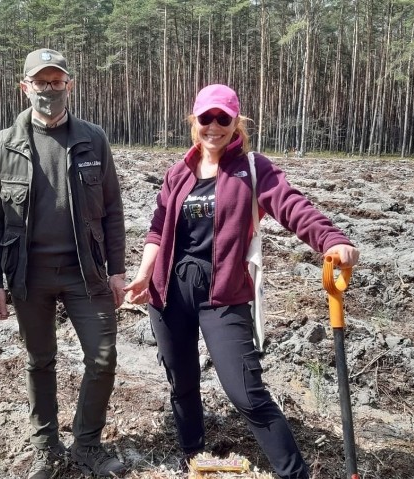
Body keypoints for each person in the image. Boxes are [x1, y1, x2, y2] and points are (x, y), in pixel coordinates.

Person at [124, 84, 360, 479]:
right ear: (193, 122)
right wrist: (145, 274)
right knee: (182, 384)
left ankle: (294, 474)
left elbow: (292, 205)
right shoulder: (177, 173)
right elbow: (156, 229)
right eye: (205, 118)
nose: (213, 126)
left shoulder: (252, 168)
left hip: (223, 296)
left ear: (236, 123)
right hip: (170, 295)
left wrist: (331, 239)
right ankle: (194, 459)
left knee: (246, 394)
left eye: (222, 119)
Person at [0, 48, 127, 479]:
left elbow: (113, 210)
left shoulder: (92, 138)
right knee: (40, 360)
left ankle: (86, 444)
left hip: (88, 270)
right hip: (29, 274)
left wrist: (117, 270)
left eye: (56, 82)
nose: (49, 90)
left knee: (102, 357)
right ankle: (46, 447)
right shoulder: (4, 145)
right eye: (40, 83)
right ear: (25, 87)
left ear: (70, 85)